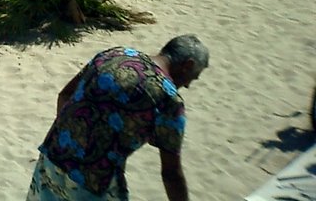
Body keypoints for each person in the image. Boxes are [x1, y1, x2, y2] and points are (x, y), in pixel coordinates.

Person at [27, 35, 209, 201]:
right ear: (188, 65)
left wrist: (73, 141)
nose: (187, 85)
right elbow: (171, 174)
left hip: (52, 158)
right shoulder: (169, 100)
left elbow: (65, 95)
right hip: (94, 182)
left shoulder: (116, 54)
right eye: (192, 78)